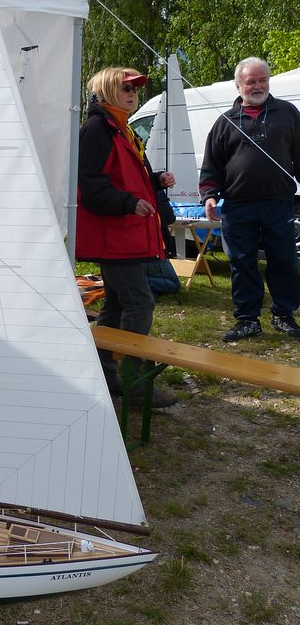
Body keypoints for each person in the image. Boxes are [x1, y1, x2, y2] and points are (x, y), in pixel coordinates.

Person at [76, 66, 178, 408]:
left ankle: (104, 377)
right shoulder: (97, 129)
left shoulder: (121, 128)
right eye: (126, 88)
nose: (133, 94)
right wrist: (129, 203)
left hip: (125, 236)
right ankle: (135, 386)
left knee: (118, 304)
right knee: (139, 302)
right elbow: (90, 187)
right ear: (107, 90)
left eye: (134, 89)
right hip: (114, 237)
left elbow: (125, 178)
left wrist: (155, 179)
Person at [199, 57, 300, 341]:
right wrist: (209, 196)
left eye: (262, 80)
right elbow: (211, 166)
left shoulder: (287, 113)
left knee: (284, 259)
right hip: (238, 205)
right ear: (238, 86)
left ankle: (283, 315)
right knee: (242, 263)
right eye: (251, 81)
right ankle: (247, 319)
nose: (258, 86)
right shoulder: (225, 122)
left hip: (279, 203)